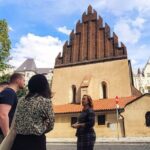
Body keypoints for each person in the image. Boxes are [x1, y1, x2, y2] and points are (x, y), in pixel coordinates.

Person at [11, 74, 55, 150]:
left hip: (19, 140)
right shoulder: (45, 101)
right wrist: (41, 129)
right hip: (36, 141)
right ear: (44, 86)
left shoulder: (21, 100)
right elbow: (51, 124)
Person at [0, 73, 25, 143]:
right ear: (18, 80)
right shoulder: (9, 92)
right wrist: (7, 135)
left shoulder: (9, 93)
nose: (24, 83)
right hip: (2, 134)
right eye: (23, 80)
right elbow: (3, 115)